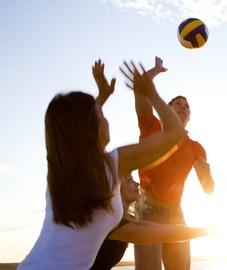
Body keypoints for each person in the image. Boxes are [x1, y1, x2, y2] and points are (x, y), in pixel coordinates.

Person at [18, 60, 187, 270]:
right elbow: (175, 133)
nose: (106, 120)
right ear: (91, 127)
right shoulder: (111, 165)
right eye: (101, 114)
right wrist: (150, 92)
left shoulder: (61, 173)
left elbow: (73, 127)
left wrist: (102, 97)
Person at [133, 57, 215, 270]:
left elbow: (208, 190)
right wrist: (155, 71)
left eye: (186, 107)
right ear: (166, 110)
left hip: (176, 213)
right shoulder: (152, 127)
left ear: (189, 117)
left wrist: (208, 175)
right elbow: (141, 90)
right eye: (178, 104)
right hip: (148, 210)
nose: (183, 108)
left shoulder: (196, 147)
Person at [91, 175, 210, 270]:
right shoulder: (112, 223)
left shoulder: (123, 220)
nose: (137, 183)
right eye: (129, 180)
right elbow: (165, 234)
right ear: (116, 189)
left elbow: (163, 229)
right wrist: (207, 231)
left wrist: (205, 230)